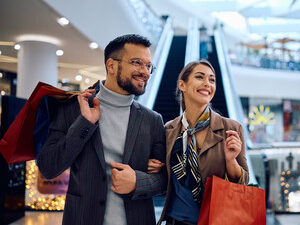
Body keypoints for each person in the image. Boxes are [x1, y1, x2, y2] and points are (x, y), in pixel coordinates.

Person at [36, 34, 167, 225]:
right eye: (137, 63)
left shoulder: (153, 120)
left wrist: (137, 182)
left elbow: (164, 179)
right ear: (111, 66)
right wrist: (84, 124)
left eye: (148, 66)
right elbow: (48, 168)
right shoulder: (73, 108)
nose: (145, 72)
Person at [149, 59, 249, 225]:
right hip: (176, 220)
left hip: (216, 219)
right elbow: (165, 177)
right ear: (182, 85)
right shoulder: (169, 129)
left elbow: (243, 181)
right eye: (200, 77)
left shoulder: (231, 128)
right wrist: (153, 166)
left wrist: (231, 160)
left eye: (212, 80)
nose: (207, 84)